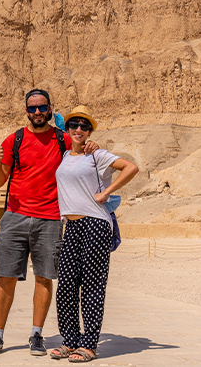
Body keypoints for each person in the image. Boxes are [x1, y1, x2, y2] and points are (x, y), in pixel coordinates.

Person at [0, 89, 98, 357]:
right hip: (16, 216)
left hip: (49, 218)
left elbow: (86, 155)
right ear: (26, 111)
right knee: (6, 277)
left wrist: (93, 146)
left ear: (49, 109)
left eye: (41, 107)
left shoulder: (63, 139)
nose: (37, 112)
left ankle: (37, 334)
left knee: (44, 278)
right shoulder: (15, 140)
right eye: (32, 108)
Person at [50, 106, 138, 363]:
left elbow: (131, 168)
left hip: (95, 223)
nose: (79, 129)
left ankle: (88, 345)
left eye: (84, 126)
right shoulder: (66, 154)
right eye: (74, 125)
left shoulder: (96, 154)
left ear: (90, 131)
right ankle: (69, 341)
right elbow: (53, 124)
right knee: (66, 285)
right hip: (72, 226)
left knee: (91, 285)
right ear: (68, 129)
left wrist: (106, 191)